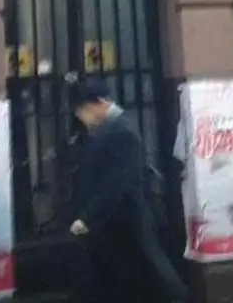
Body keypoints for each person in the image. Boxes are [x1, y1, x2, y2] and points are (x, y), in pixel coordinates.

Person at [69, 77, 189, 303]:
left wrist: (89, 217)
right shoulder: (106, 130)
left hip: (128, 220)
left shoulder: (121, 130)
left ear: (99, 103)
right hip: (116, 223)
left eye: (84, 110)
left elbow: (118, 181)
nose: (82, 117)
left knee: (153, 273)